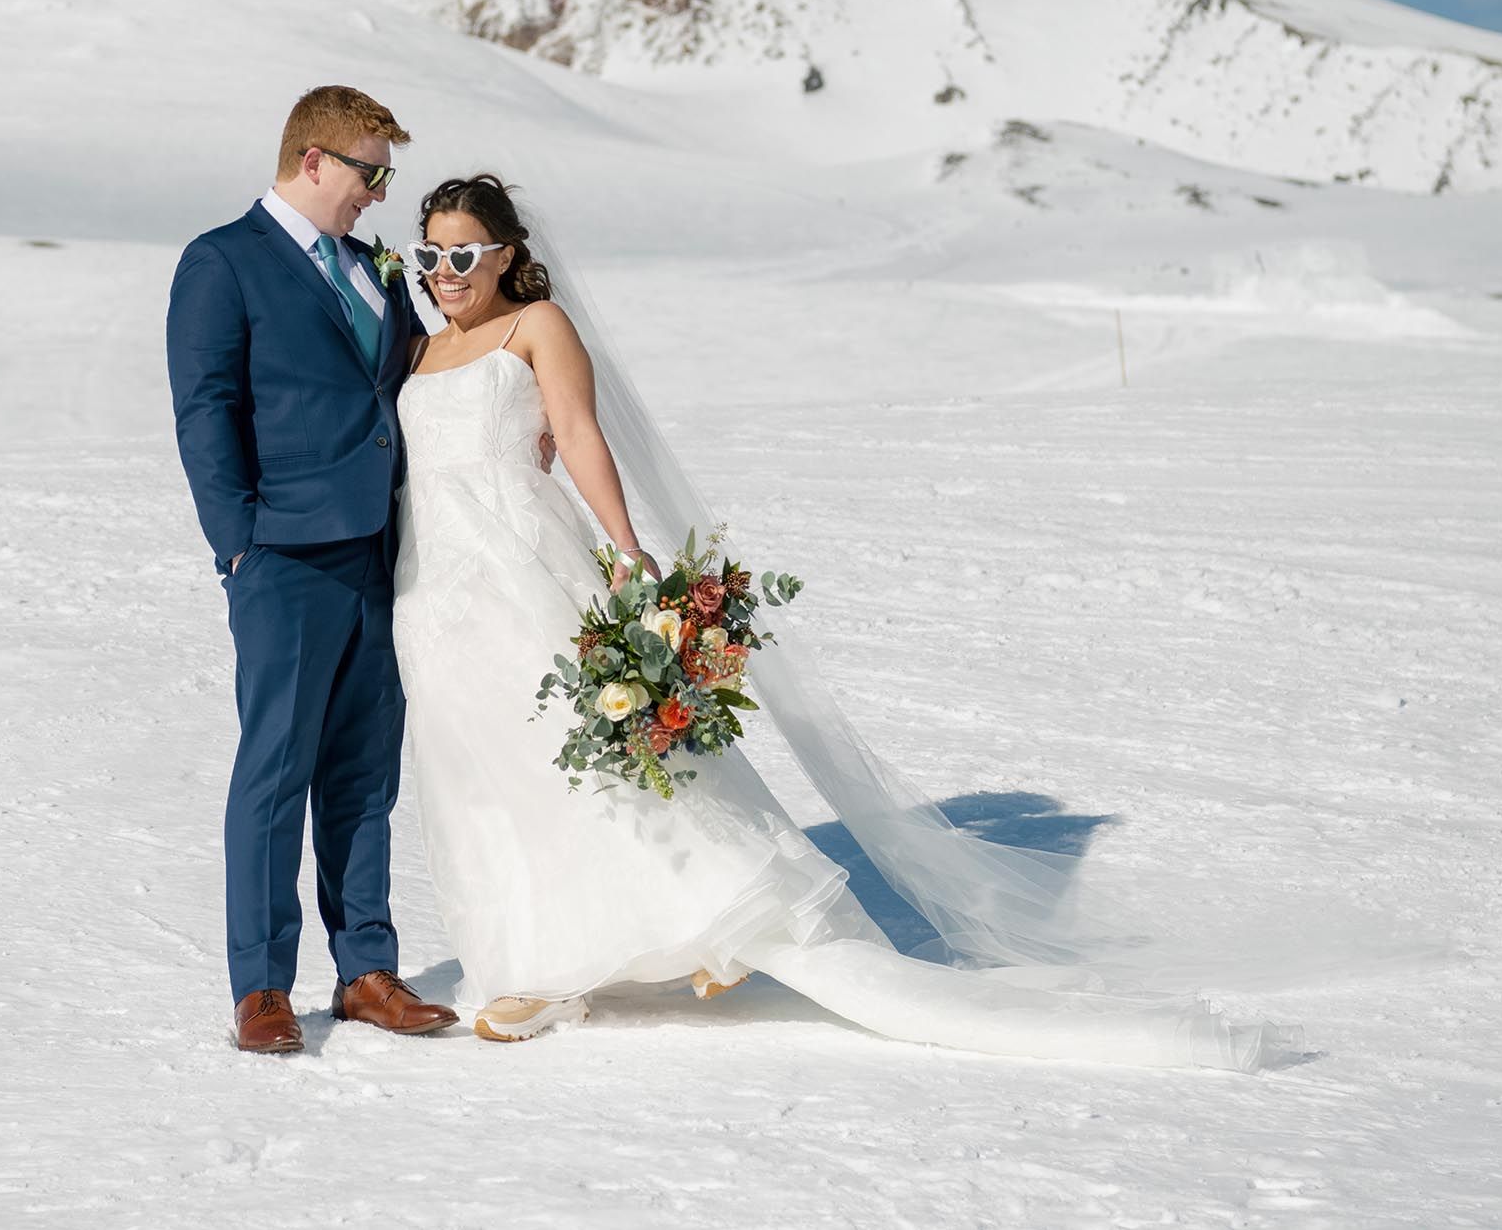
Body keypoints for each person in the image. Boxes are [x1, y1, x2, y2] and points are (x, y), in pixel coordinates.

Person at [389, 173, 1290, 1068]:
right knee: (478, 767)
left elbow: (580, 435)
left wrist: (627, 550)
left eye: (464, 251)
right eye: (432, 252)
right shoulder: (424, 350)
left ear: (507, 254)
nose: (445, 268)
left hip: (524, 567)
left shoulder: (535, 326)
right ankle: (535, 949)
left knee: (572, 752)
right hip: (433, 593)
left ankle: (679, 929)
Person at [164, 85, 456, 1054]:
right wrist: (238, 539)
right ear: (315, 159)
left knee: (365, 771)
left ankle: (367, 968)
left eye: (387, 174)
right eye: (371, 171)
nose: (379, 193)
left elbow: (411, 373)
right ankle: (262, 985)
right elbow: (205, 408)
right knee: (276, 769)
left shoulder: (373, 265)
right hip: (282, 555)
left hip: (380, 545)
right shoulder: (222, 260)